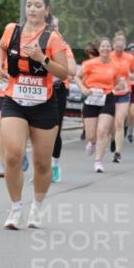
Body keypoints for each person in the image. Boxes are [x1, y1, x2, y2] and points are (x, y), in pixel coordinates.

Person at [0, 0, 68, 230]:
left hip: (44, 103)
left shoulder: (53, 37)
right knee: (13, 154)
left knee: (42, 163)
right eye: (29, 5)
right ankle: (16, 208)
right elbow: (0, 48)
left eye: (38, 5)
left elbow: (64, 72)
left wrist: (42, 58)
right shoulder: (12, 30)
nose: (33, 9)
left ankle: (37, 206)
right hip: (14, 99)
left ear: (47, 10)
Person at [75, 38, 118, 173]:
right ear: (99, 50)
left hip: (107, 99)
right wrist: (83, 89)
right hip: (91, 99)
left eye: (108, 47)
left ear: (111, 50)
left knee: (103, 131)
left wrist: (114, 88)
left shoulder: (114, 66)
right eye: (103, 47)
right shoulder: (89, 64)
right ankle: (91, 142)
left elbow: (116, 82)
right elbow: (76, 77)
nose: (105, 49)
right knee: (91, 135)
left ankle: (98, 161)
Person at [49, 17, 77, 183]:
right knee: (39, 132)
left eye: (56, 27)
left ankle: (54, 166)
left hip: (58, 90)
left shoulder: (64, 47)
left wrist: (53, 65)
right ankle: (42, 168)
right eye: (50, 27)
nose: (53, 30)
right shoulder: (37, 45)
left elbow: (72, 70)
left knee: (55, 129)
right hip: (39, 90)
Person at [109, 31, 134, 163]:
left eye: (122, 42)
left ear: (125, 45)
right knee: (111, 122)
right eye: (117, 42)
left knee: (120, 121)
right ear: (113, 44)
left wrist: (133, 76)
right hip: (110, 92)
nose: (119, 44)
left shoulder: (129, 58)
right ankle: (112, 139)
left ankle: (118, 152)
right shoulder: (108, 56)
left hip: (124, 92)